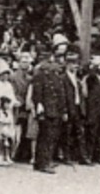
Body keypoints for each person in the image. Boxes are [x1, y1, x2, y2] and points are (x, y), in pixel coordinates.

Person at [30, 40, 71, 174]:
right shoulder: (41, 76)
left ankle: (45, 160)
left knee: (52, 137)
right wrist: (39, 108)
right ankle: (42, 162)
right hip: (47, 110)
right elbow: (37, 94)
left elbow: (62, 95)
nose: (56, 65)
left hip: (56, 110)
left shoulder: (57, 77)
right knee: (45, 137)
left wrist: (64, 110)